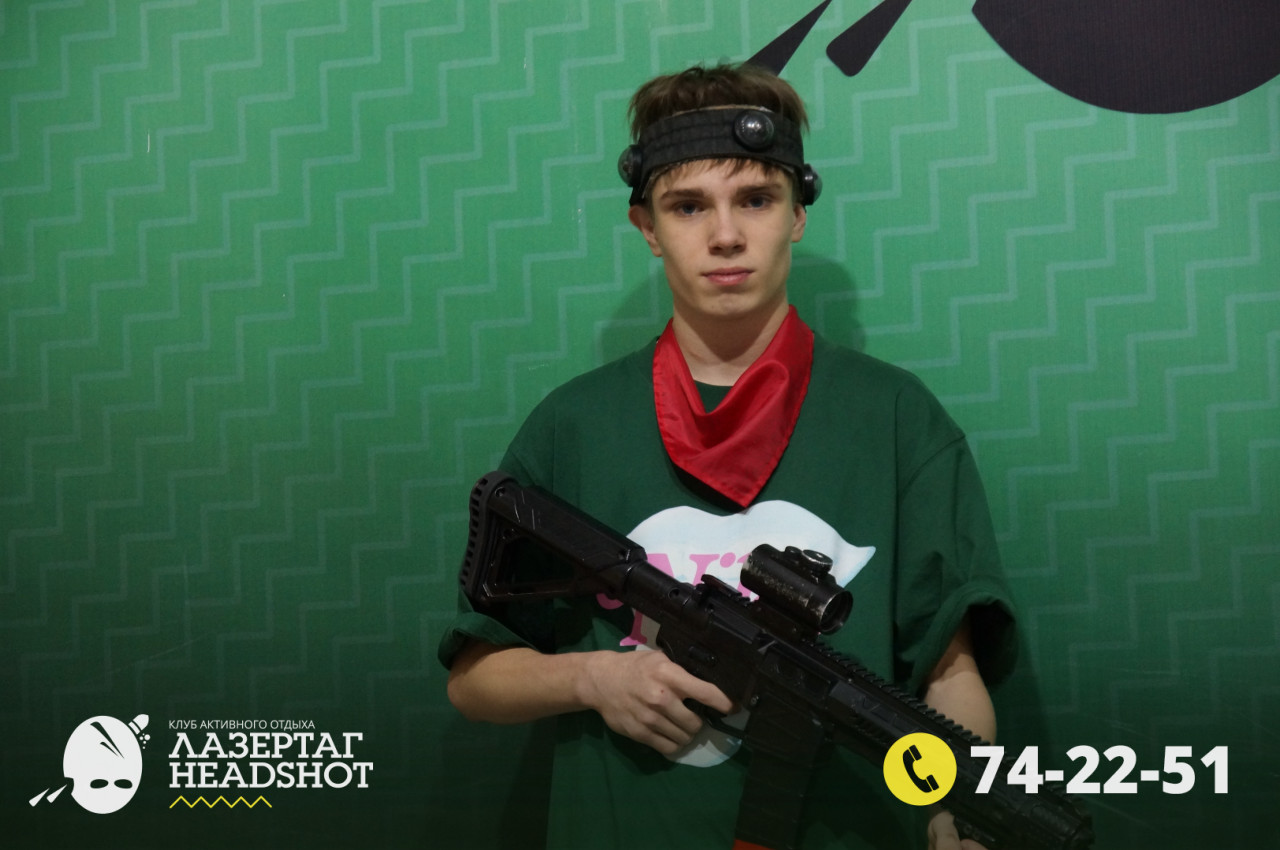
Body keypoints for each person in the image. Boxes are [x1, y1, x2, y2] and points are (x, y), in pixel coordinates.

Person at [439, 63, 1016, 850]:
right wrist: (594, 677)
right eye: (688, 206)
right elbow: (474, 679)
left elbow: (950, 672)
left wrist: (962, 810)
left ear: (798, 214)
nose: (725, 236)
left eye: (755, 199)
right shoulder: (572, 426)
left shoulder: (895, 417)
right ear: (646, 227)